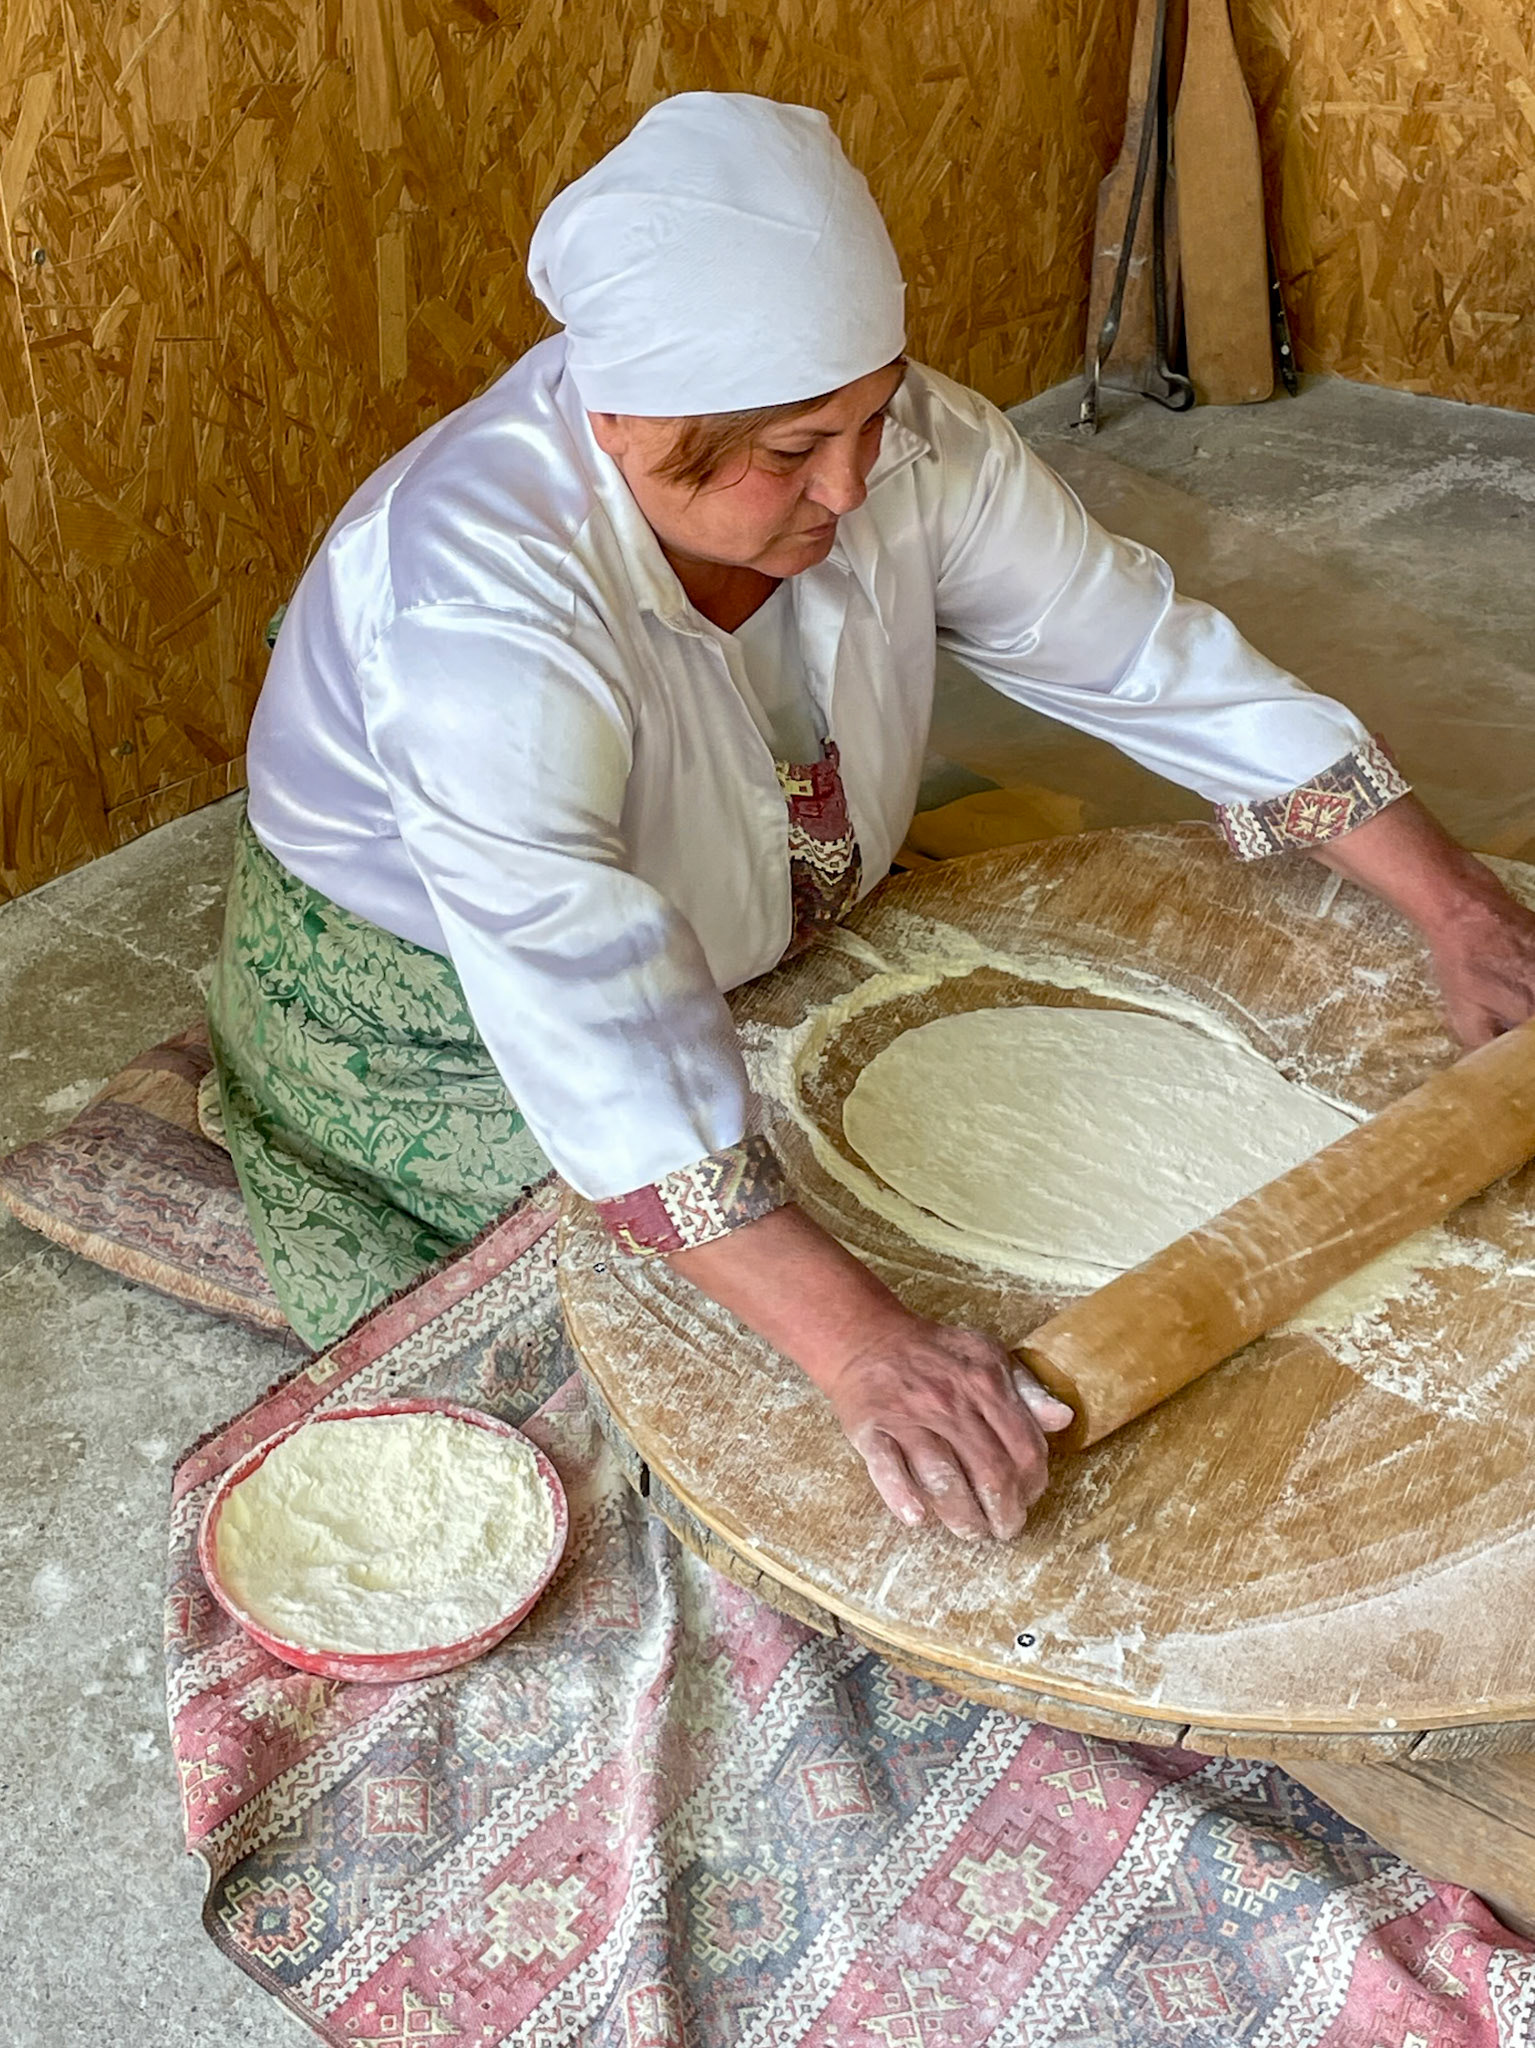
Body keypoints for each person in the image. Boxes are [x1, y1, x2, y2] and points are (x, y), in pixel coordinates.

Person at [211, 92, 1535, 1544]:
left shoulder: (905, 446)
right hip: (434, 989)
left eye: (871, 413)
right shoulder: (477, 612)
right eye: (790, 451)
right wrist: (858, 1349)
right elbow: (580, 997)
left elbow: (1142, 656)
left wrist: (1456, 906)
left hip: (760, 881)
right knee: (697, 1363)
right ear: (628, 428)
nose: (852, 483)